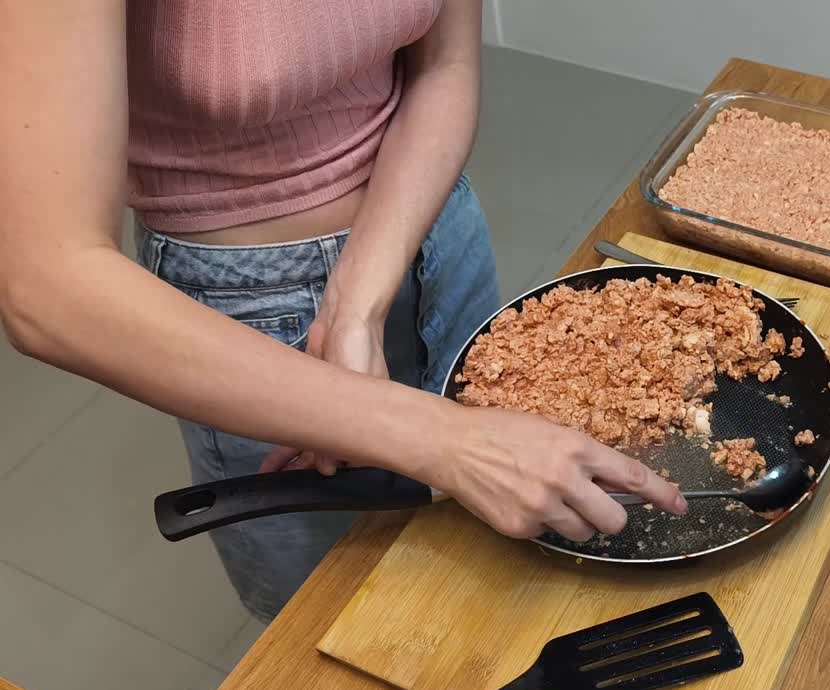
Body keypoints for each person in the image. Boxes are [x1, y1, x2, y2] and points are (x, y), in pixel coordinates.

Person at [0, 0, 685, 624]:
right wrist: (447, 439)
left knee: (495, 588)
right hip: (246, 307)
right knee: (336, 625)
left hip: (430, 231)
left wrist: (355, 305)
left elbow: (443, 68)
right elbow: (46, 284)